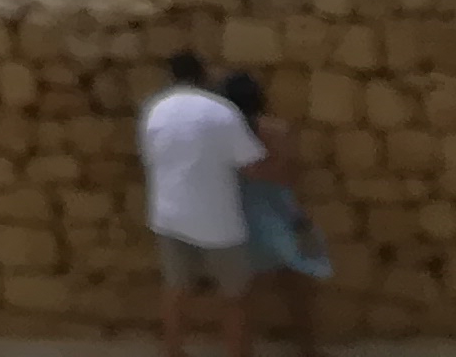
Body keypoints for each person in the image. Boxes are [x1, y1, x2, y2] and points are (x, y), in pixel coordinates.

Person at [140, 50, 268, 357]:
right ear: (203, 74)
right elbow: (251, 165)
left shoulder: (155, 110)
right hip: (217, 219)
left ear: (172, 76)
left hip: (168, 214)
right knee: (235, 296)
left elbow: (150, 157)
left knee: (176, 288)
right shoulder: (221, 112)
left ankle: (172, 351)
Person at [219, 71, 328, 355]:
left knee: (242, 295)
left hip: (240, 217)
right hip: (278, 212)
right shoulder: (277, 130)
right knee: (296, 288)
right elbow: (289, 174)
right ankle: (308, 347)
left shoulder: (223, 134)